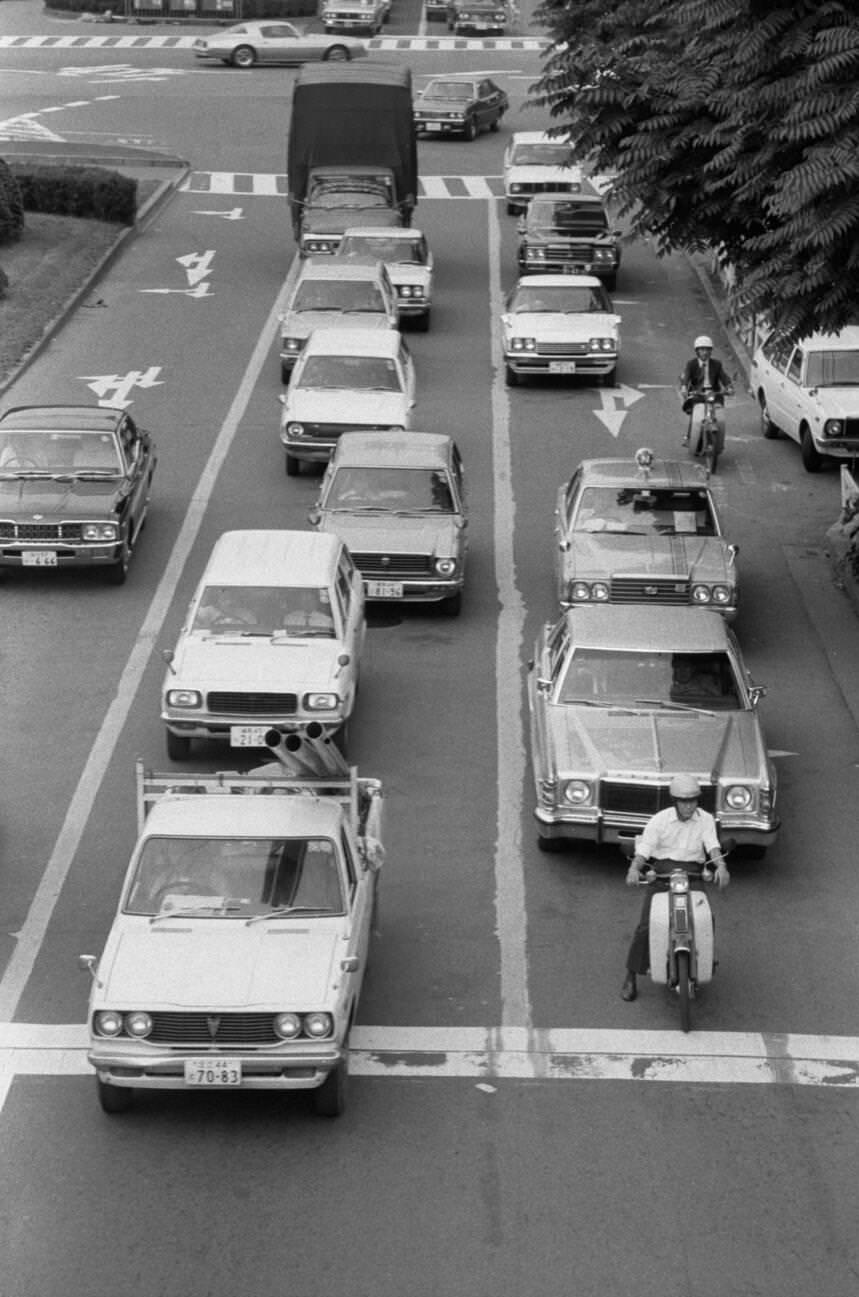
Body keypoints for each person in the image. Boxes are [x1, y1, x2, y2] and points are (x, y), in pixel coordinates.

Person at [621, 773, 729, 1001]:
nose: (689, 806)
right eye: (684, 801)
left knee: (705, 919)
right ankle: (631, 975)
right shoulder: (660, 820)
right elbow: (645, 848)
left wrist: (721, 866)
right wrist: (634, 869)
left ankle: (705, 960)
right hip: (663, 872)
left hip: (693, 872)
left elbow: (713, 845)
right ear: (675, 801)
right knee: (647, 925)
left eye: (693, 801)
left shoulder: (706, 819)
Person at [679, 335, 734, 449]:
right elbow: (686, 377)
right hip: (697, 394)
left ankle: (719, 440)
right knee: (695, 414)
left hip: (713, 394)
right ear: (697, 351)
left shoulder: (717, 364)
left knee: (718, 415)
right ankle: (689, 437)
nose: (705, 352)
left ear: (711, 351)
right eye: (702, 349)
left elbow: (724, 377)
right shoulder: (691, 364)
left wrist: (729, 386)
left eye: (708, 349)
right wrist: (684, 387)